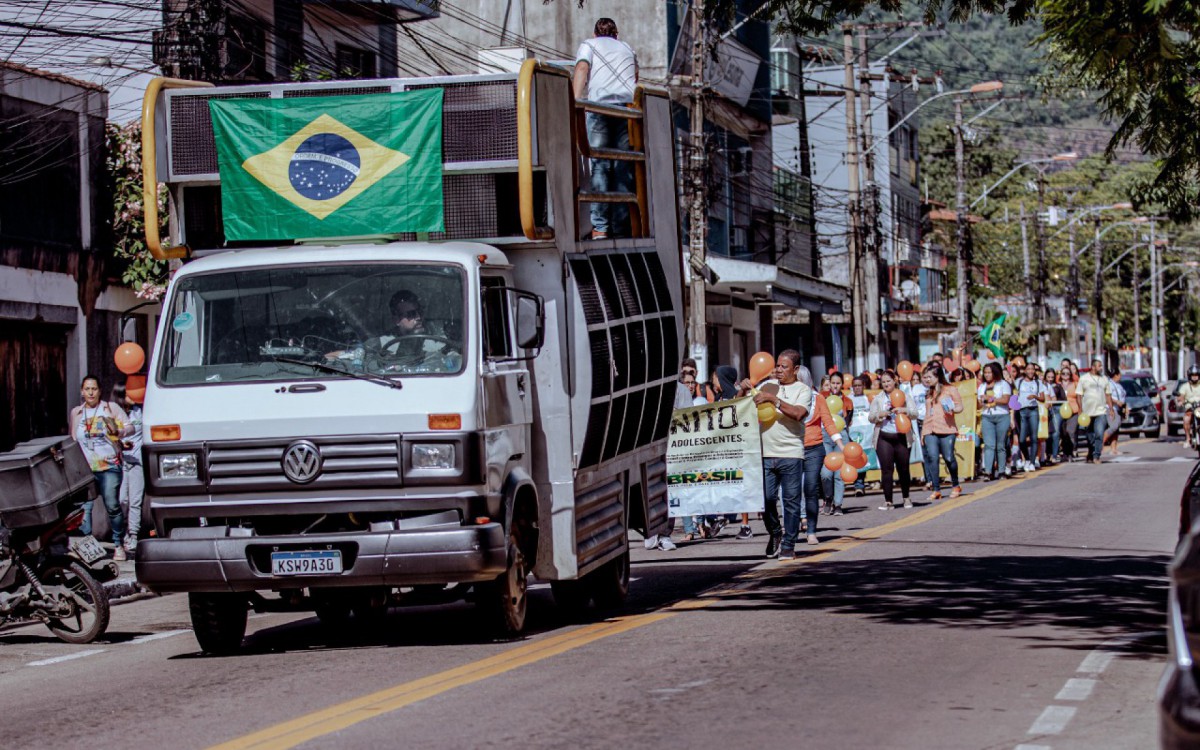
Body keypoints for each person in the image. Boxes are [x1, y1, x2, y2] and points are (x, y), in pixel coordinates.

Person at [741, 350, 810, 559]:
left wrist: (775, 401)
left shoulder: (803, 390)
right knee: (766, 499)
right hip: (765, 453)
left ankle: (789, 545)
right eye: (777, 366)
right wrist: (742, 391)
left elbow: (799, 414)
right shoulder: (766, 386)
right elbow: (742, 406)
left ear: (795, 369)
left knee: (790, 501)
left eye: (784, 366)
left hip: (791, 453)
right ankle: (775, 533)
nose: (779, 370)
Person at [573, 17, 638, 240]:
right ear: (616, 35)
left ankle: (600, 228)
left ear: (595, 34)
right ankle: (621, 227)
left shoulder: (589, 45)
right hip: (626, 111)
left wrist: (574, 101)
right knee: (622, 166)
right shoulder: (627, 48)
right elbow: (635, 76)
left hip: (599, 107)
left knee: (600, 164)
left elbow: (582, 67)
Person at [69, 375, 129, 561]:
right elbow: (73, 440)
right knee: (84, 507)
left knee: (111, 504)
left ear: (99, 390)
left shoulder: (110, 408)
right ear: (82, 391)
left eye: (94, 389)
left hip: (109, 464)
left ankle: (118, 544)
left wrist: (119, 432)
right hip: (85, 468)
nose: (90, 392)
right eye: (87, 389)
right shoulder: (77, 413)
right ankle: (87, 546)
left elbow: (130, 427)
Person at [799, 365, 843, 547]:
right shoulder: (783, 398)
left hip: (814, 449)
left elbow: (828, 423)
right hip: (791, 449)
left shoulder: (817, 399)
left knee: (810, 488)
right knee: (791, 490)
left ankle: (811, 530)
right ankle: (794, 524)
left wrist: (841, 444)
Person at [869, 370, 913, 510]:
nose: (886, 384)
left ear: (895, 381)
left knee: (903, 468)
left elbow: (915, 413)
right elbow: (871, 417)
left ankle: (906, 498)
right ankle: (888, 500)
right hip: (884, 436)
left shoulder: (904, 396)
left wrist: (904, 410)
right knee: (886, 469)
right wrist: (880, 415)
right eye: (883, 382)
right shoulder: (878, 398)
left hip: (901, 436)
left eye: (889, 381)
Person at [921, 363, 963, 500]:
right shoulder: (928, 393)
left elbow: (959, 407)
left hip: (947, 429)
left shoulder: (950, 389)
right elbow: (928, 414)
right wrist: (923, 433)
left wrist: (952, 409)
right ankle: (936, 489)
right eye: (925, 377)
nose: (926, 380)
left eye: (929, 377)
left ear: (938, 376)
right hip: (930, 429)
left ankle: (956, 485)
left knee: (949, 457)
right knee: (932, 457)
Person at [112, 384, 145, 555]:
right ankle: (121, 531)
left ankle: (133, 535)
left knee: (135, 500)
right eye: (129, 392)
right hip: (121, 460)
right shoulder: (115, 414)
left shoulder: (140, 411)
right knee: (122, 499)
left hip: (137, 461)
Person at [820, 372, 850, 516]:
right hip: (825, 435)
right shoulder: (822, 398)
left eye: (838, 383)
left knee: (839, 473)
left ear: (842, 384)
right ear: (829, 383)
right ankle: (828, 498)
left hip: (841, 435)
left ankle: (838, 504)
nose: (835, 386)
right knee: (826, 473)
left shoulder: (847, 400)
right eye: (833, 383)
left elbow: (848, 420)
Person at [978, 361, 1013, 481]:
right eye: (985, 373)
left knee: (1000, 445)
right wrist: (982, 400)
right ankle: (988, 471)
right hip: (987, 416)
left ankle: (1002, 470)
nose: (987, 375)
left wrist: (991, 398)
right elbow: (979, 403)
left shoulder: (1003, 384)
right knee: (989, 445)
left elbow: (1005, 400)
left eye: (989, 372)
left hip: (1002, 416)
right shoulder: (982, 386)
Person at [1077, 357, 1114, 463]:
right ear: (1093, 367)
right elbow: (1079, 395)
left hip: (1100, 411)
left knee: (1099, 433)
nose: (1101, 368)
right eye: (1099, 366)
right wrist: (1080, 409)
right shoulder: (1084, 378)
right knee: (1089, 436)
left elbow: (1108, 395)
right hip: (1087, 412)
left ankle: (1096, 456)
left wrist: (1111, 409)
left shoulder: (1104, 379)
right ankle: (1091, 451)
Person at [1013, 361, 1046, 472]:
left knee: (1033, 437)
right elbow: (1014, 395)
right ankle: (1026, 458)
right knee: (1022, 439)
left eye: (1032, 369)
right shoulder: (1019, 382)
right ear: (1025, 370)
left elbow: (1043, 398)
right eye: (1028, 369)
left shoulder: (1038, 383)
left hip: (1033, 411)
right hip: (1022, 411)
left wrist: (1035, 396)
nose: (1031, 371)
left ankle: (1032, 462)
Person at [847, 374, 871, 497]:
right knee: (855, 458)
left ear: (863, 386)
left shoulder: (868, 399)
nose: (857, 388)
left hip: (867, 434)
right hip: (853, 433)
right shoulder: (848, 399)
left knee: (864, 459)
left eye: (859, 385)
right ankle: (858, 485)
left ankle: (860, 484)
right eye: (854, 386)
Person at [1043, 369, 1067, 465]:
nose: (1050, 379)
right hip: (1045, 411)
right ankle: (1047, 454)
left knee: (1056, 432)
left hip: (1056, 410)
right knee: (1046, 433)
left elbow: (1063, 399)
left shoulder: (1058, 386)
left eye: (1052, 377)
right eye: (1048, 377)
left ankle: (1054, 454)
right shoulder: (1042, 385)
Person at [1060, 360, 1080, 461]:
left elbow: (1080, 397)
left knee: (1071, 431)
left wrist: (1081, 410)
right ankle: (1065, 453)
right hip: (1061, 412)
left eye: (1068, 373)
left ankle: (1071, 452)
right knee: (1063, 434)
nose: (1065, 375)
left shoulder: (1075, 384)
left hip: (1074, 411)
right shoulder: (1058, 384)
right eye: (1063, 373)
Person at [1104, 367, 1127, 456]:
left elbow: (1123, 397)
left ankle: (1114, 449)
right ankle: (1100, 443)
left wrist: (1125, 407)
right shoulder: (1109, 384)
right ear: (1116, 375)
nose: (1121, 376)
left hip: (1119, 409)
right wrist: (1116, 402)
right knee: (1113, 427)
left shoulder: (1119, 385)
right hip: (1111, 408)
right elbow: (1107, 397)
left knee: (1116, 430)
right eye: (1119, 374)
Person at [1177, 365, 1200, 445]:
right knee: (1186, 419)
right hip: (1190, 408)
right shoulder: (1185, 386)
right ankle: (1188, 438)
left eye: (1196, 375)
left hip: (1199, 408)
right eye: (1193, 376)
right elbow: (1181, 397)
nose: (1194, 377)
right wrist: (1180, 401)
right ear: (1189, 376)